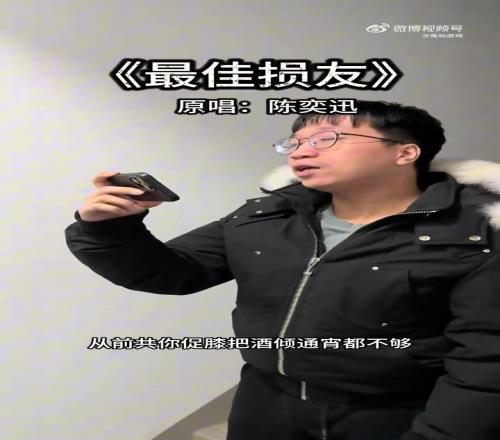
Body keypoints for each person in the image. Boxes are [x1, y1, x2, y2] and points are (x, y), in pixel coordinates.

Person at [65, 100, 500, 440]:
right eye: (294, 143)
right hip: (266, 403)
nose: (301, 151)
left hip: (396, 415)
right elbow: (170, 272)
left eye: (328, 138)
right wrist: (108, 228)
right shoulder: (266, 216)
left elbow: (486, 360)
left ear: (404, 152)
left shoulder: (475, 232)